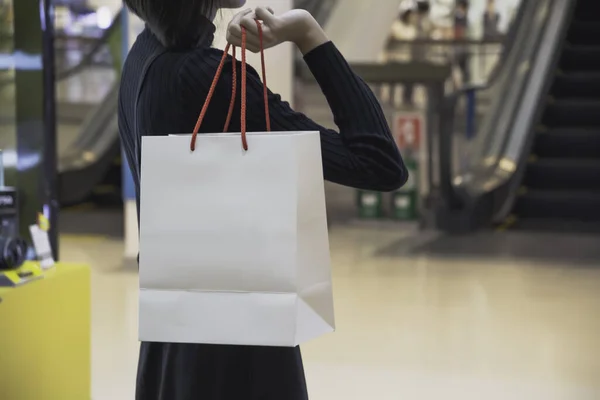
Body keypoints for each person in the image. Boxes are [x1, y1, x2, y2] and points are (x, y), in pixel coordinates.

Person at [118, 0, 407, 399]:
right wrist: (308, 33)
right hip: (239, 351)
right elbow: (379, 162)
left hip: (170, 340)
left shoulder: (141, 58)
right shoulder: (208, 79)